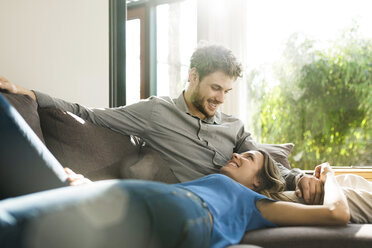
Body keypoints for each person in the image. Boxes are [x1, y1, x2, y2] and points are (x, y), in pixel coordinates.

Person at [0, 43, 323, 204]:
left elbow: (264, 164)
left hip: (252, 201)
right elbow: (89, 113)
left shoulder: (234, 127)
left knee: (342, 192)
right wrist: (26, 93)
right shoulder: (156, 113)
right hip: (201, 204)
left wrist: (301, 178)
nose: (220, 99)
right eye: (215, 88)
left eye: (227, 91)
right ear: (193, 76)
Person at [0, 149, 350, 248]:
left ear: (259, 182)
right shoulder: (206, 183)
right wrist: (93, 185)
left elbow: (337, 213)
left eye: (250, 159)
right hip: (157, 210)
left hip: (178, 211)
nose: (239, 156)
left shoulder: (254, 203)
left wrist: (329, 175)